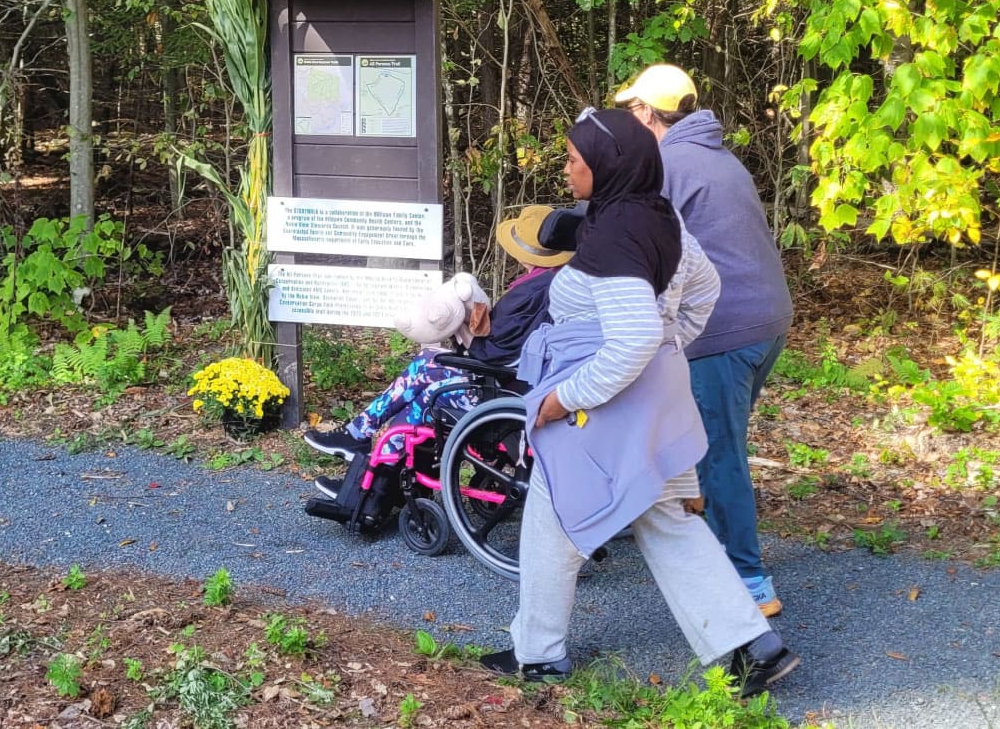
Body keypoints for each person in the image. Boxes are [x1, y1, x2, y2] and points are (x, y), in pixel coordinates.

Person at [480, 108, 799, 697]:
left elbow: (631, 338)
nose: (569, 169)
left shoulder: (616, 238)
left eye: (576, 160)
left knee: (554, 517)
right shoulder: (658, 214)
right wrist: (674, 340)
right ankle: (751, 646)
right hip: (655, 397)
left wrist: (561, 398)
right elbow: (703, 286)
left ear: (608, 167)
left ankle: (540, 656)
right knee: (668, 519)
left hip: (601, 404)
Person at [615, 64, 794, 618]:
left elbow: (630, 228)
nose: (628, 120)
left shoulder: (665, 162)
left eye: (630, 110)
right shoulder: (721, 157)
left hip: (724, 329)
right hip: (767, 323)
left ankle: (749, 581)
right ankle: (683, 522)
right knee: (698, 435)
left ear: (647, 113)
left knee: (718, 452)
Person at [303, 205, 575, 489]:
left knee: (429, 395)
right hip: (517, 382)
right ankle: (360, 441)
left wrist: (465, 330)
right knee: (426, 362)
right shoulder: (553, 282)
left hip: (503, 392)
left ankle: (370, 482)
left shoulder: (532, 292)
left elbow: (494, 353)